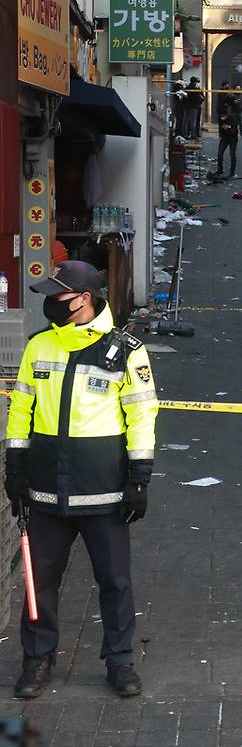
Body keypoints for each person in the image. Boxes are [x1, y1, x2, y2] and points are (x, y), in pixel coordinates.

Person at [4, 261, 158, 700]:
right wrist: (14, 467)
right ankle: (37, 658)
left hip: (105, 489)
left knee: (114, 580)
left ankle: (120, 660)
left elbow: (143, 416)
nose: (49, 304)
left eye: (58, 296)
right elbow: (21, 408)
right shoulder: (39, 346)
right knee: (41, 577)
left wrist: (140, 479)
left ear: (83, 298)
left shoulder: (127, 351)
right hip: (46, 485)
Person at [214, 109, 239, 179]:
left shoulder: (232, 119)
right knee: (220, 153)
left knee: (232, 154)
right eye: (221, 116)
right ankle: (219, 170)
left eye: (223, 116)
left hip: (233, 138)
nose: (222, 118)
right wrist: (221, 133)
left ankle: (232, 172)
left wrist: (227, 128)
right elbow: (220, 127)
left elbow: (234, 131)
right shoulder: (220, 119)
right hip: (224, 137)